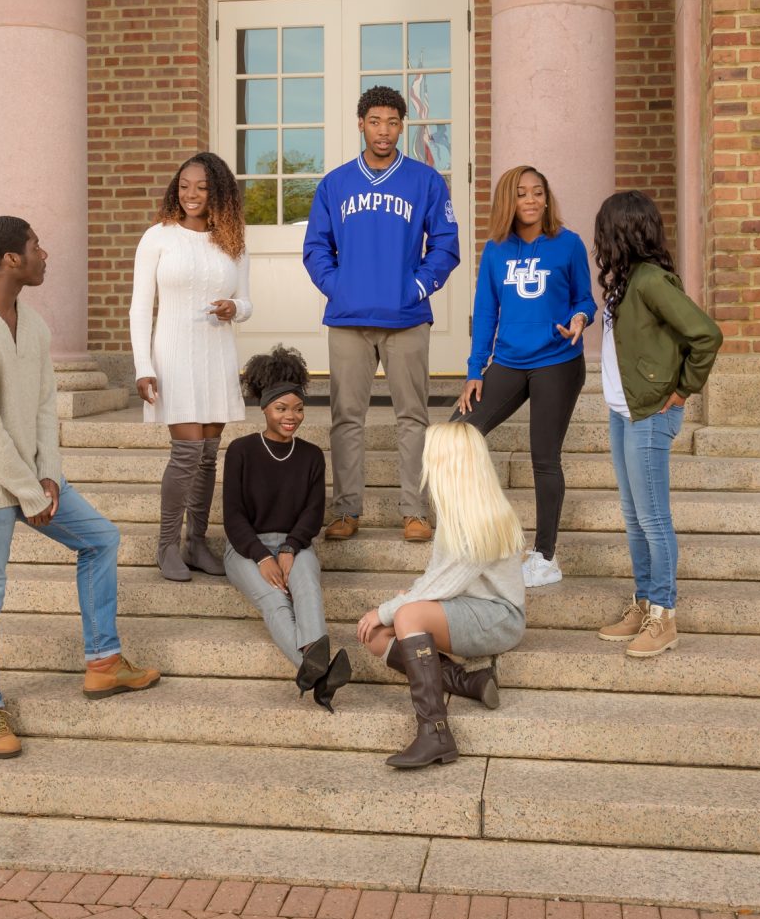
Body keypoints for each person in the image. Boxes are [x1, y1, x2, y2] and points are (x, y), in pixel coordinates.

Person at [0, 215, 161, 760]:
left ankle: (104, 661)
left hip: (32, 479)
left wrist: (48, 476)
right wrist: (29, 492)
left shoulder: (32, 324)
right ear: (11, 259)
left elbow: (42, 407)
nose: (45, 254)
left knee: (100, 539)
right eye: (36, 246)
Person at [302, 84, 461, 545]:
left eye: (392, 122)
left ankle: (414, 510)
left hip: (406, 317)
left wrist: (418, 286)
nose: (384, 131)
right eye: (375, 121)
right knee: (346, 417)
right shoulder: (335, 184)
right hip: (348, 319)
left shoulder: (425, 181)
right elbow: (316, 248)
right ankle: (346, 510)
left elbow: (445, 244)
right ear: (361, 124)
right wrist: (340, 287)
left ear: (402, 126)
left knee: (412, 416)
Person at [590, 191, 723, 660]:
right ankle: (645, 601)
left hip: (650, 414)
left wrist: (682, 390)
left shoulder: (650, 280)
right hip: (624, 411)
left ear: (621, 232)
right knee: (634, 517)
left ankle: (664, 615)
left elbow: (706, 334)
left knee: (653, 518)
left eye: (604, 230)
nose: (598, 240)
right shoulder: (626, 282)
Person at [355, 421, 524, 769]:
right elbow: (437, 577)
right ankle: (470, 681)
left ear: (449, 462)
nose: (425, 462)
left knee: (405, 615)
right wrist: (409, 600)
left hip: (499, 617)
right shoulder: (455, 509)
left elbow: (442, 585)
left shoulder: (483, 517)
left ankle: (435, 732)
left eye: (430, 455)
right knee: (375, 637)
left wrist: (392, 609)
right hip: (466, 606)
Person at [455, 165, 594, 588]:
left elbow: (585, 298)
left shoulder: (568, 244)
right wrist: (476, 369)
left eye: (538, 192)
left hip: (557, 360)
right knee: (457, 434)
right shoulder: (496, 250)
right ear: (508, 201)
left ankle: (545, 557)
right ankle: (480, 537)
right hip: (510, 360)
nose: (531, 200)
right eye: (521, 193)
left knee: (544, 457)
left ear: (547, 198)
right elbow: (486, 313)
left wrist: (580, 318)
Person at [130, 151, 250, 583]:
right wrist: (143, 366)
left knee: (208, 457)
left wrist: (234, 307)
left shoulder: (232, 240)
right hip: (174, 355)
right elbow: (140, 307)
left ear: (218, 191)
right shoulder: (157, 237)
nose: (191, 194)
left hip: (217, 355)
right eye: (184, 186)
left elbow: (247, 301)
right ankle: (166, 545)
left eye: (201, 187)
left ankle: (196, 542)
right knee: (187, 453)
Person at [220, 345, 352, 709]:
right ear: (264, 408)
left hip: (297, 543)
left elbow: (313, 513)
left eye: (298, 409)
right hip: (245, 547)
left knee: (307, 588)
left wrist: (291, 547)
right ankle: (320, 675)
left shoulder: (311, 455)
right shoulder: (241, 451)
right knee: (277, 601)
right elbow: (233, 517)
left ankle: (315, 676)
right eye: (281, 408)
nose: (291, 416)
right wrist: (263, 557)